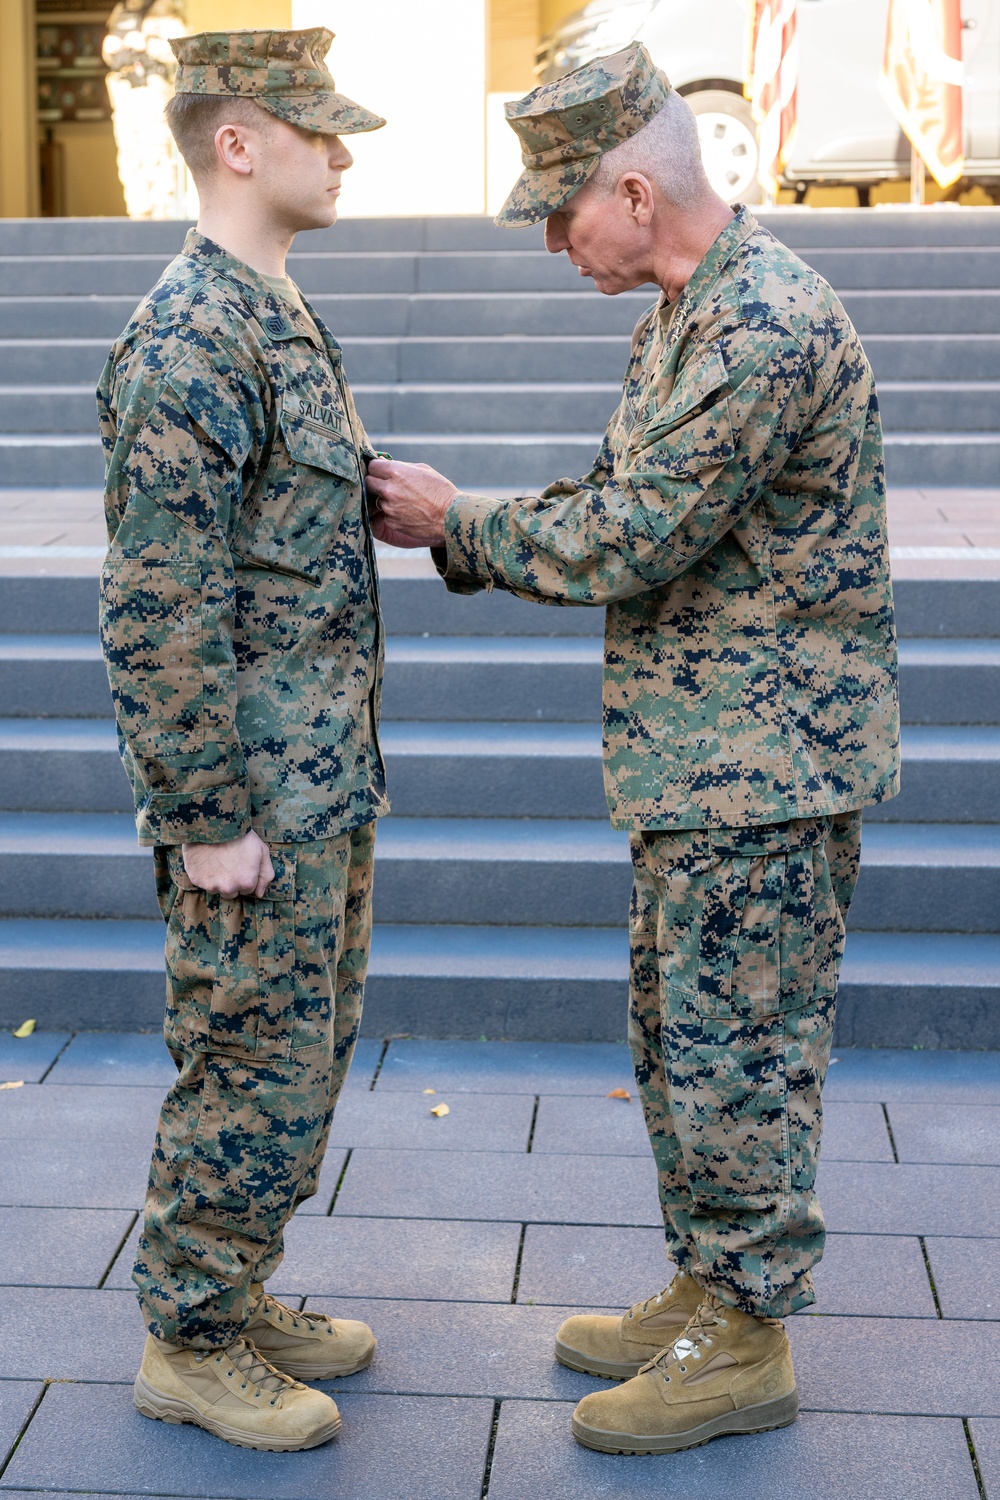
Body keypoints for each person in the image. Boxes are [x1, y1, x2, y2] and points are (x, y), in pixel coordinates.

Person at [366, 42, 900, 1457]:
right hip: (703, 761)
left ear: (632, 188)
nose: (555, 244)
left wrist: (457, 527)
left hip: (768, 771)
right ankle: (709, 1286)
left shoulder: (764, 323)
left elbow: (634, 530)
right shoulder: (684, 312)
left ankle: (748, 1338)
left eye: (561, 215)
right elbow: (623, 491)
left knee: (741, 1052)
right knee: (681, 1046)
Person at [97, 28, 390, 1452]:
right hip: (254, 803)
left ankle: (239, 1283)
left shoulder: (273, 306)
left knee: (303, 1055)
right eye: (321, 130)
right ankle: (191, 1338)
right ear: (238, 143)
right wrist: (206, 815)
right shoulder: (196, 329)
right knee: (247, 1061)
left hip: (318, 781)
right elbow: (158, 602)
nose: (343, 153)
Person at [103, 0, 189, 219]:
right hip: (124, 87)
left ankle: (162, 214)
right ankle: (138, 212)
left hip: (152, 88)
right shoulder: (121, 10)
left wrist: (147, 43)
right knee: (130, 152)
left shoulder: (166, 10)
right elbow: (111, 53)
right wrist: (108, 47)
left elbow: (183, 50)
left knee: (156, 149)